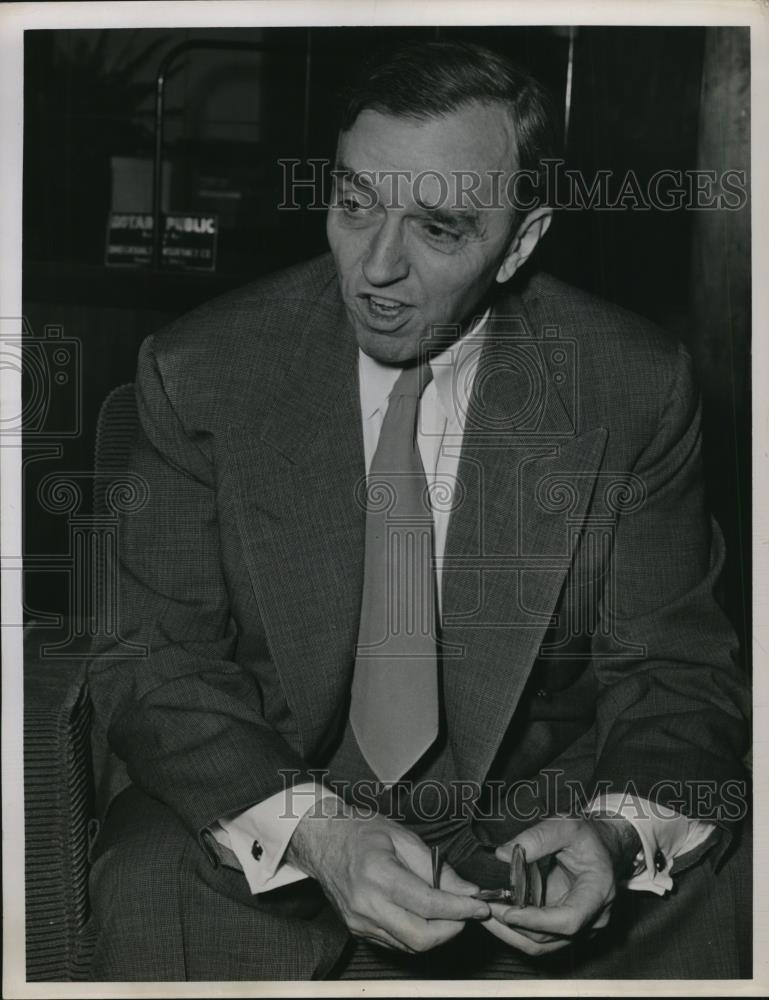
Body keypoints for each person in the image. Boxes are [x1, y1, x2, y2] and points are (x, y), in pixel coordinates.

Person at [86, 40, 751, 981]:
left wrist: (609, 833)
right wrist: (314, 831)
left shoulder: (631, 387)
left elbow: (677, 675)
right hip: (280, 795)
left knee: (722, 880)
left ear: (520, 240)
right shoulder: (201, 371)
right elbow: (148, 657)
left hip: (535, 815)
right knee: (150, 878)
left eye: (438, 228)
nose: (375, 269)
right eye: (355, 205)